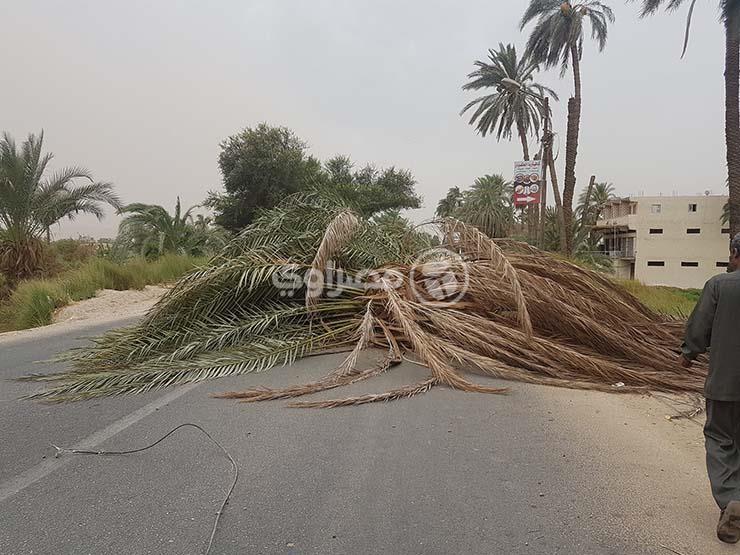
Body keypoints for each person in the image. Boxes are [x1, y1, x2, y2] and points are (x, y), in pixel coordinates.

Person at [682, 233, 740, 543]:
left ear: (735, 253)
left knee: (720, 439)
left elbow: (699, 326)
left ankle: (732, 500)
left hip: (724, 383)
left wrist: (689, 354)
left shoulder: (719, 285)